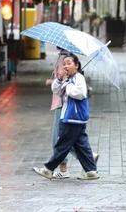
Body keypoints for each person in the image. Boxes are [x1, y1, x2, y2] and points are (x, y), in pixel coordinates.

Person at [33, 54, 99, 180]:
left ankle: (48, 169)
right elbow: (56, 91)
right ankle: (91, 171)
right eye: (64, 64)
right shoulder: (68, 78)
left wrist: (66, 85)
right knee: (82, 145)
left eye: (69, 63)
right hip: (74, 117)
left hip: (72, 117)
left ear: (76, 65)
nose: (66, 66)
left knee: (62, 145)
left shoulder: (78, 78)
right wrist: (59, 79)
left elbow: (80, 93)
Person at [45, 49, 73, 178]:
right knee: (63, 137)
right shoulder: (68, 58)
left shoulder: (63, 60)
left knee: (58, 137)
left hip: (60, 103)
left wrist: (51, 82)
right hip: (62, 103)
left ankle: (63, 168)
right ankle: (88, 157)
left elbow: (62, 80)